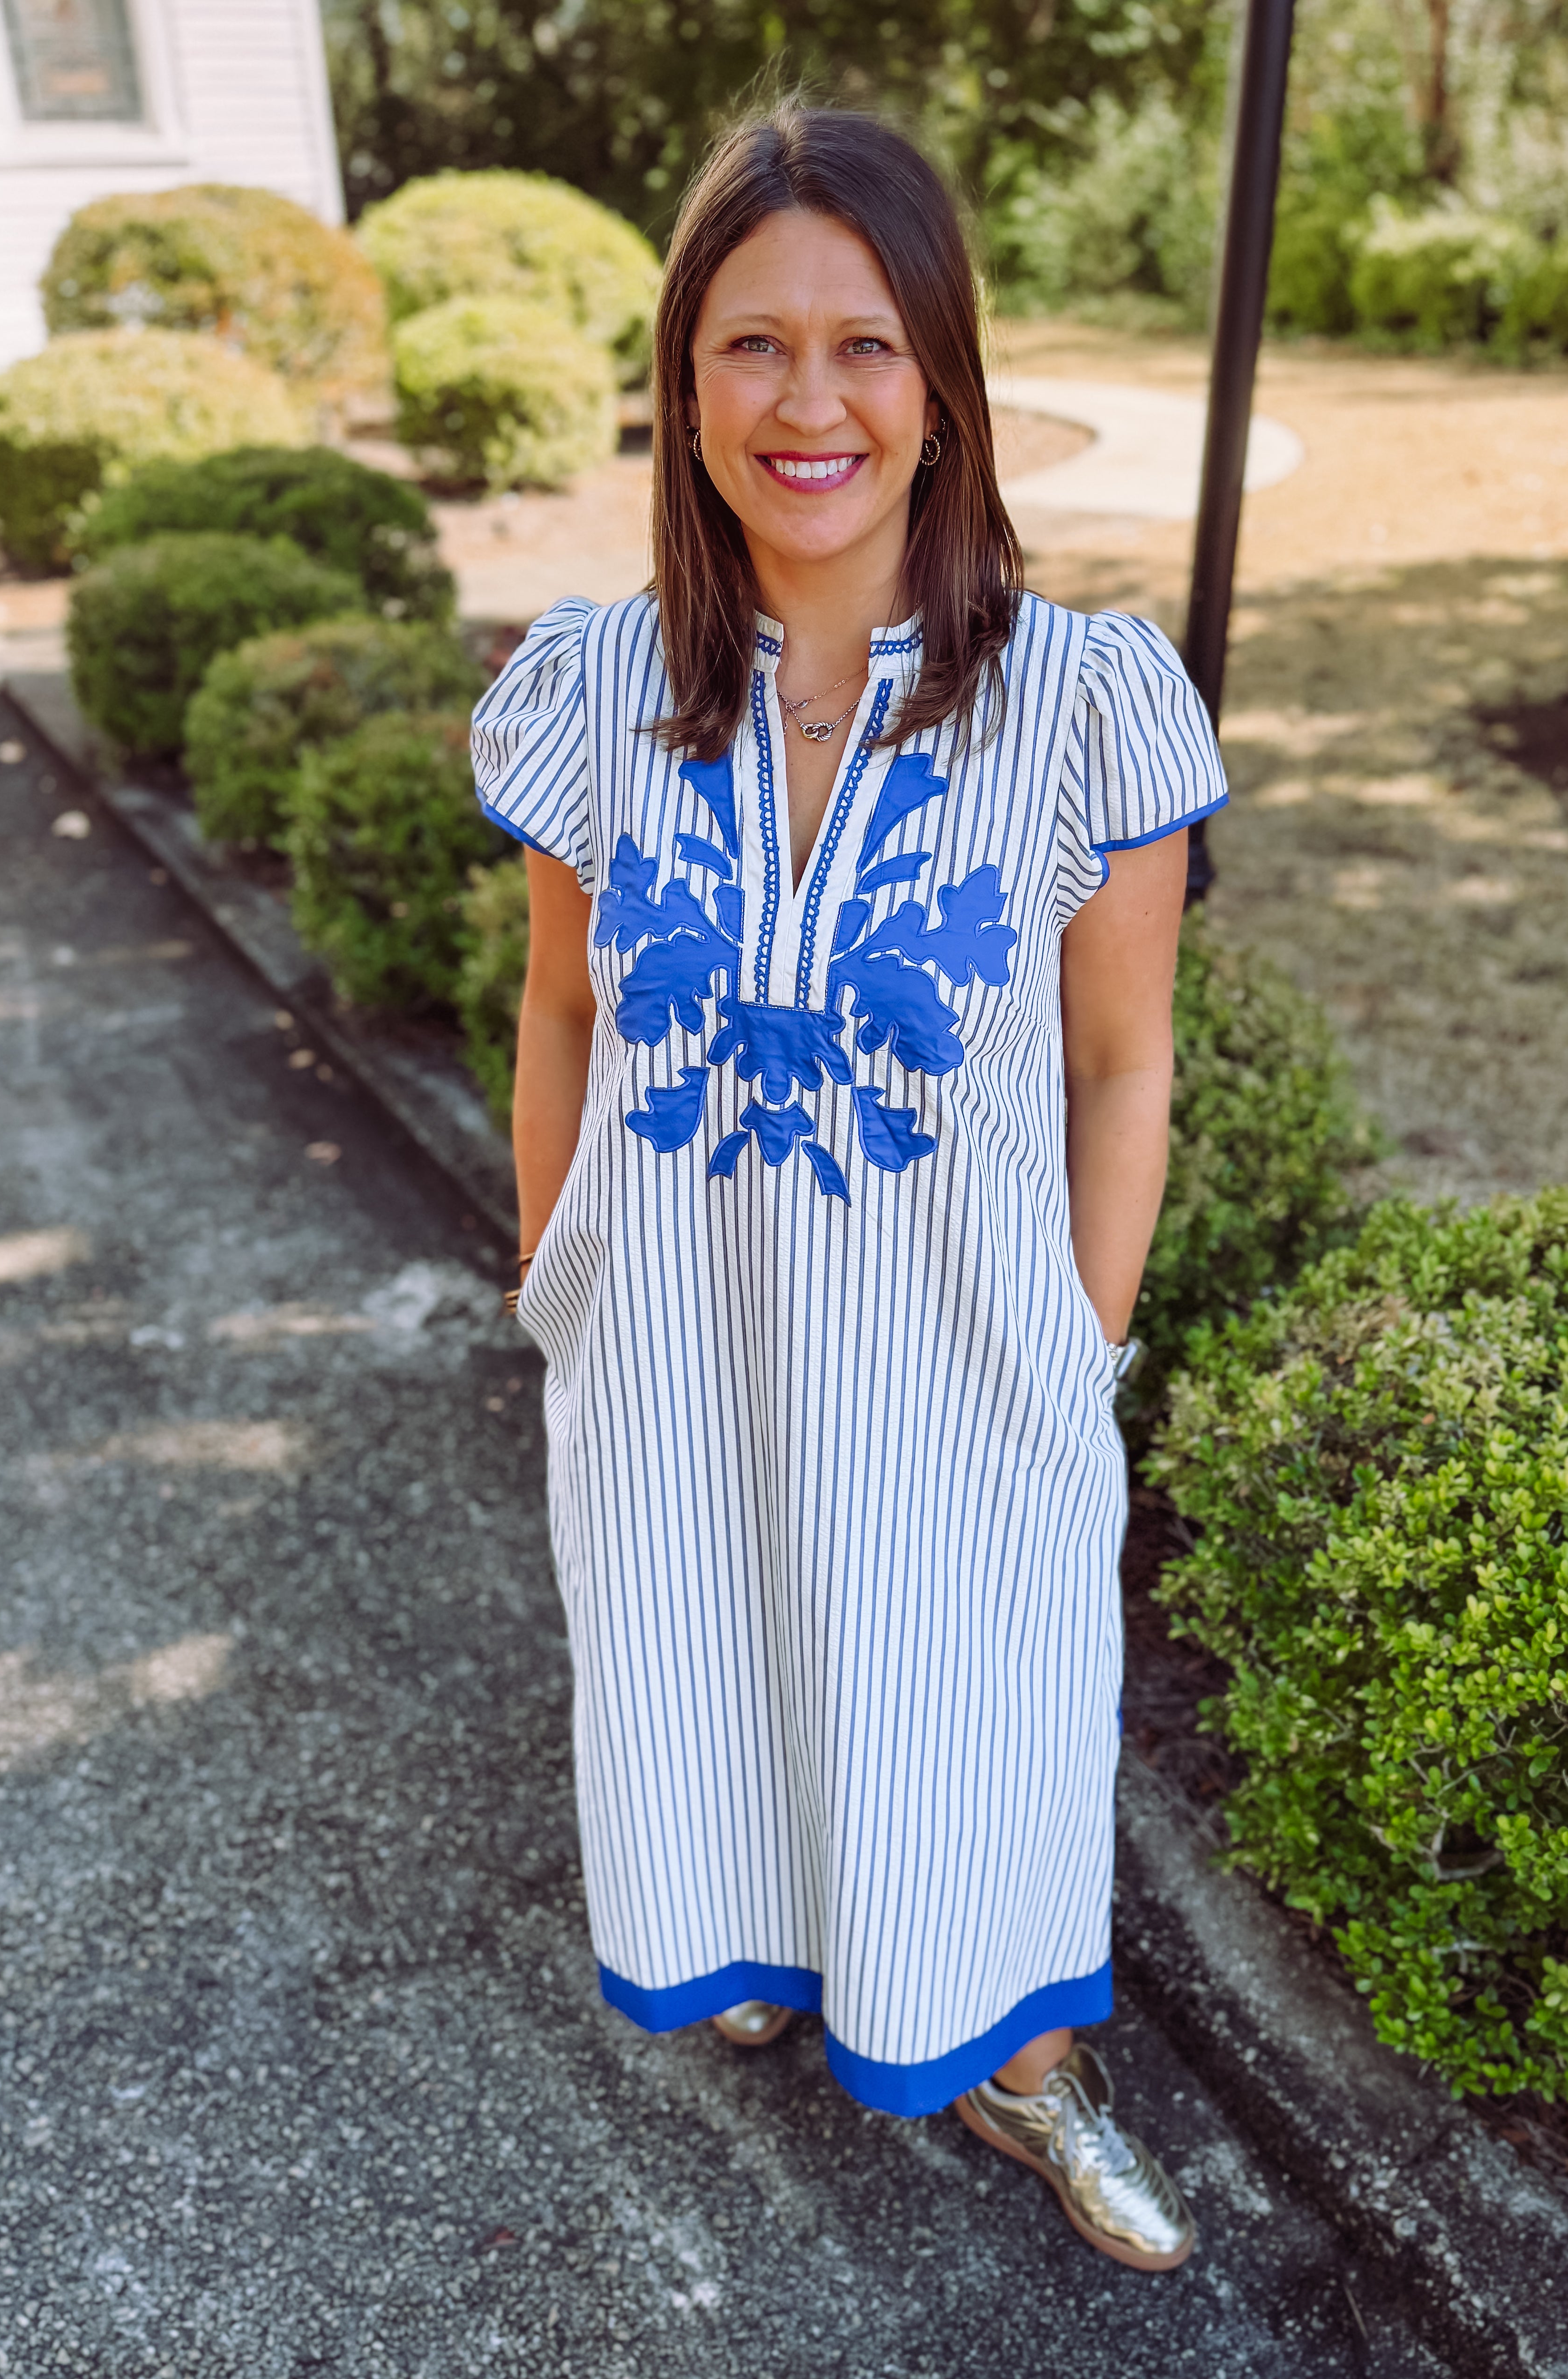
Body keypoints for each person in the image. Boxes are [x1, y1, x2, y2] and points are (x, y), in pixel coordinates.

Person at [471, 104, 1226, 2274]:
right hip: (681, 1350)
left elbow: (1116, 1061)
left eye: (865, 346)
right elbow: (556, 1013)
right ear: (679, 379)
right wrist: (559, 1280)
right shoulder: (594, 688)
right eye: (749, 347)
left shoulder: (1080, 704)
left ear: (945, 382)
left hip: (956, 1365)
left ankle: (1017, 2064)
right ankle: (752, 1944)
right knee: (706, 1665)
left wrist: (1070, 1345)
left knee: (967, 1722)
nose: (808, 403)